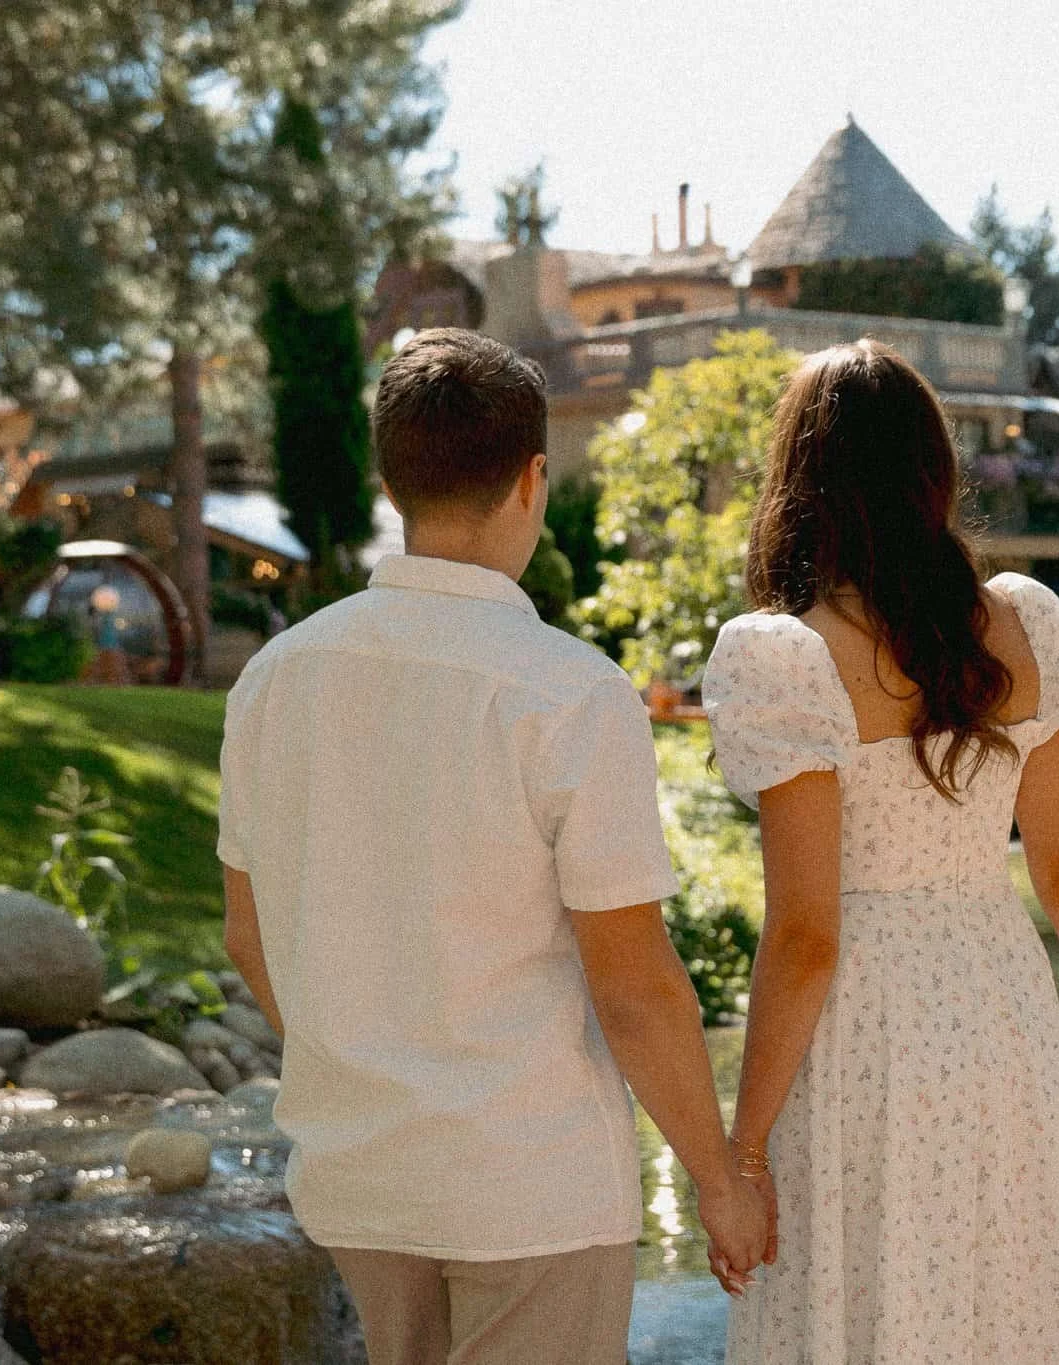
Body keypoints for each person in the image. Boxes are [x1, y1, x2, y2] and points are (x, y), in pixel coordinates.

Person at [218, 328, 769, 1365]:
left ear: (392, 482)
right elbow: (635, 988)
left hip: (360, 1175)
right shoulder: (572, 694)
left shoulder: (274, 680)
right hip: (529, 1183)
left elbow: (248, 937)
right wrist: (718, 1178)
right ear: (532, 481)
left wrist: (361, 1062)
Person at [704, 339, 1059, 1363]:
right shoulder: (1022, 625)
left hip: (863, 1027)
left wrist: (740, 1152)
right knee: (996, 1294)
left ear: (801, 481)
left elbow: (809, 936)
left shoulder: (785, 657)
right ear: (932, 471)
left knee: (859, 1294)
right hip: (999, 1008)